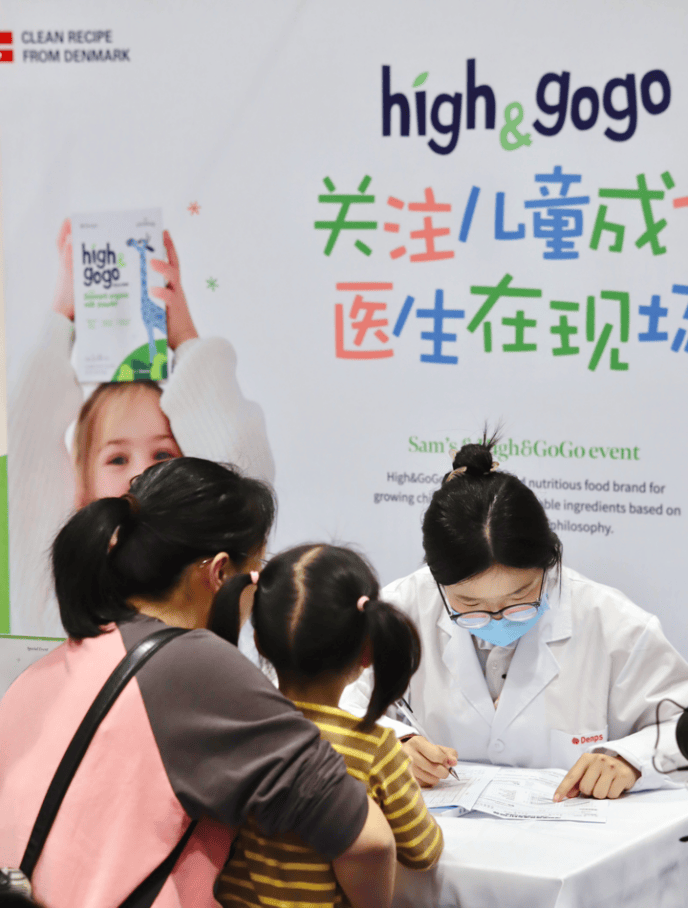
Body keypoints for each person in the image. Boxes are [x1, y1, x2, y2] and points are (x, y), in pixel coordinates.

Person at [0, 459, 395, 908]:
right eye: (258, 572)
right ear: (220, 572)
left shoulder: (49, 667)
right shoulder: (195, 667)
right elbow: (370, 841)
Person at [341, 433, 688, 802]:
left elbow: (678, 724)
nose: (497, 618)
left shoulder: (614, 624)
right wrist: (392, 743)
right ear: (437, 581)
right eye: (469, 604)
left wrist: (631, 760)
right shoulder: (401, 608)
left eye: (519, 597)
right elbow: (336, 704)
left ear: (548, 564)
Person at [8, 219, 274, 637]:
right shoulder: (56, 586)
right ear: (81, 483)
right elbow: (27, 436)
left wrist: (185, 337)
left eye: (163, 454)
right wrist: (62, 314)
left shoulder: (209, 576)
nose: (141, 472)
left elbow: (243, 486)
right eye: (117, 458)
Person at [209, 544, 443, 908]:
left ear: (259, 643)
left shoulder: (239, 725)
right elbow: (423, 850)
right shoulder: (373, 746)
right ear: (366, 653)